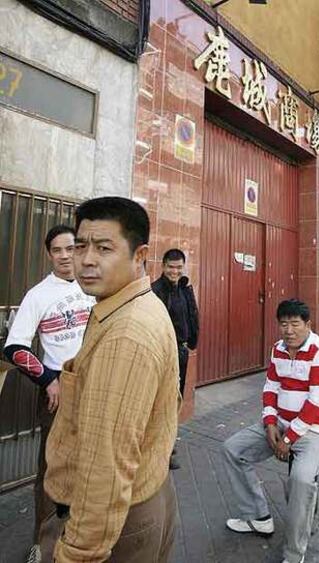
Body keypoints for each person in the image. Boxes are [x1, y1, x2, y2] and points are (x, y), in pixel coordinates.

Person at [39, 197, 179, 563]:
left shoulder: (127, 334)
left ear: (140, 255)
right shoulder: (129, 305)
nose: (85, 259)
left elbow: (107, 463)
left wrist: (79, 553)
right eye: (80, 245)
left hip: (114, 523)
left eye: (104, 248)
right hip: (142, 497)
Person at [223, 299, 319, 563]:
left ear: (308, 324)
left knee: (300, 481)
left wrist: (288, 439)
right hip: (281, 426)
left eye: (295, 324)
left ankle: (294, 552)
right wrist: (270, 423)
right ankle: (258, 517)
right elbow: (270, 387)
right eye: (283, 324)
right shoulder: (278, 349)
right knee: (233, 449)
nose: (288, 330)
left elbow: (315, 405)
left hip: (312, 431)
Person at [4, 225, 94, 563]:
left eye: (71, 248)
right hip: (58, 391)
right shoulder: (38, 294)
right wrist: (47, 380)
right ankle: (42, 543)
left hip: (95, 387)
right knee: (51, 470)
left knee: (90, 465)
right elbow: (14, 346)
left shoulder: (93, 286)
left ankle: (82, 538)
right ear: (49, 254)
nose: (66, 256)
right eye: (58, 250)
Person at [152, 248, 199, 398]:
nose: (175, 271)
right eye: (171, 267)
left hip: (182, 352)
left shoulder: (184, 289)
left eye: (179, 267)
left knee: (177, 396)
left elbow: (192, 317)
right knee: (163, 398)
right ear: (163, 266)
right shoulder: (155, 291)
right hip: (164, 354)